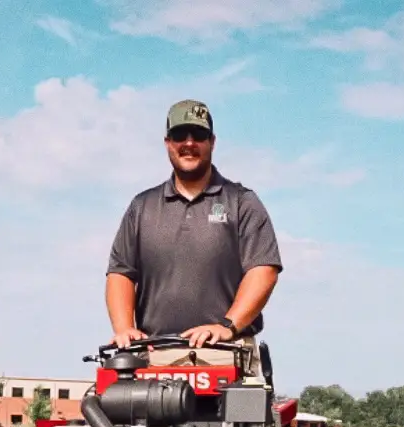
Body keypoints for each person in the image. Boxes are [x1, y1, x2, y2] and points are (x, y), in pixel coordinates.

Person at [104, 99, 283, 374]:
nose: (189, 143)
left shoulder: (242, 202)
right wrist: (124, 329)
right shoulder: (142, 207)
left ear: (212, 142)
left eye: (198, 135)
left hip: (226, 352)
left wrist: (227, 326)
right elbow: (120, 273)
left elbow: (263, 270)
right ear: (167, 143)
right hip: (154, 356)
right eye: (179, 135)